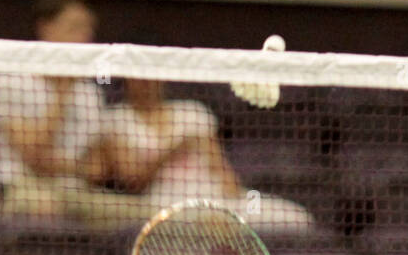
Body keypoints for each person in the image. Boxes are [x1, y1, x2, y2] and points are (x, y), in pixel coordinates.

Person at [0, 0, 153, 230]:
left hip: (80, 194)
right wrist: (62, 91)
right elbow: (35, 157)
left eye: (89, 29)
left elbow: (99, 167)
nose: (85, 37)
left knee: (153, 215)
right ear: (46, 28)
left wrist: (69, 167)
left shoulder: (89, 92)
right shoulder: (8, 81)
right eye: (75, 28)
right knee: (45, 208)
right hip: (22, 190)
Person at [94, 76, 315, 235]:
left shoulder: (193, 112)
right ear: (127, 80)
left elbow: (223, 172)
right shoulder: (116, 118)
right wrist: (172, 151)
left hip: (216, 197)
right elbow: (133, 180)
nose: (147, 83)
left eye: (151, 76)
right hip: (165, 203)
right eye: (139, 77)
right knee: (210, 225)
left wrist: (239, 200)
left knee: (295, 217)